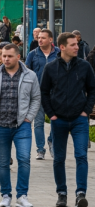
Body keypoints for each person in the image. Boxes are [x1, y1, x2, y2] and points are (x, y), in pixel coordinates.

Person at [0, 44, 41, 207]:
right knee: (3, 162)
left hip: (22, 125)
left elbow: (36, 98)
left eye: (9, 56)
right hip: (0, 125)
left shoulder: (30, 75)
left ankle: (22, 196)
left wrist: (28, 118)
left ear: (18, 57)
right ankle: (6, 195)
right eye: (3, 56)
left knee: (24, 159)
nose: (5, 59)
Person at [41, 32, 95, 207]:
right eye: (73, 45)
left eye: (77, 44)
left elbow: (92, 89)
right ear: (62, 47)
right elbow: (44, 92)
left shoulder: (85, 66)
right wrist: (52, 114)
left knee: (81, 156)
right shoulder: (50, 68)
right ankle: (62, 194)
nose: (77, 47)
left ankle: (81, 194)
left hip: (79, 119)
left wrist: (86, 111)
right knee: (59, 158)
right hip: (59, 120)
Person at [25, 28, 59, 160]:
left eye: (43, 38)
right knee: (38, 122)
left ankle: (51, 140)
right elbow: (27, 73)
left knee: (56, 121)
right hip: (38, 93)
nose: (39, 40)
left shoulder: (59, 54)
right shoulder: (32, 54)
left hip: (55, 94)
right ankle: (40, 149)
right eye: (38, 37)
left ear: (51, 40)